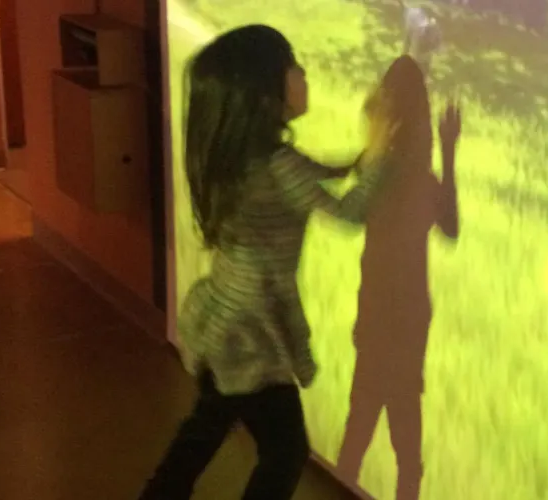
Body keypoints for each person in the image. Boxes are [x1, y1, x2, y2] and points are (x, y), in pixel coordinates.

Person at [139, 25, 396, 500]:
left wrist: (355, 160)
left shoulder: (242, 155)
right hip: (252, 333)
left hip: (224, 318)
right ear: (264, 93)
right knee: (285, 451)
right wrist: (380, 155)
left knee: (207, 426)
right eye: (293, 66)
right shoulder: (278, 165)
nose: (303, 73)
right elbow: (348, 212)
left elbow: (310, 173)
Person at [336, 55, 461, 500]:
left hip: (376, 315)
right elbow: (451, 229)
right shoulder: (422, 182)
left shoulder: (376, 173)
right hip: (409, 320)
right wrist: (449, 152)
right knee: (408, 451)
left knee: (357, 435)